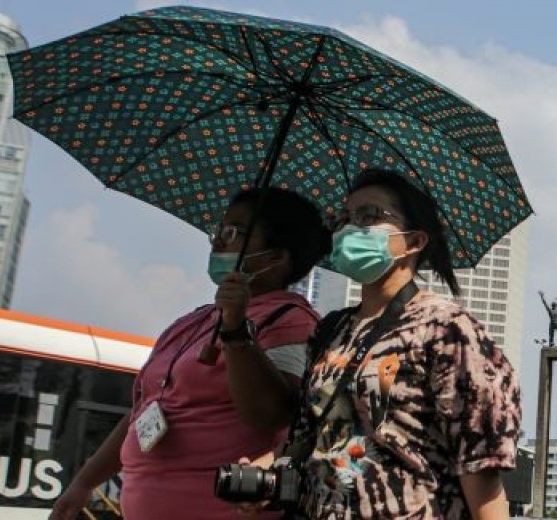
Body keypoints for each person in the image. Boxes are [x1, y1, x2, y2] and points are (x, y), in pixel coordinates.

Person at [251, 168, 522, 520]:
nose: (349, 228)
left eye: (369, 216)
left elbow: (480, 467)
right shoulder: (331, 329)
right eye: (344, 217)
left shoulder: (446, 328)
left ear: (414, 242)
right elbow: (310, 437)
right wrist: (264, 474)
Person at [50, 186, 330, 520]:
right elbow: (144, 412)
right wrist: (85, 481)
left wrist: (236, 330)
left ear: (275, 258)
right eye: (218, 230)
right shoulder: (190, 322)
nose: (217, 242)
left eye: (233, 233)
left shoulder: (291, 320)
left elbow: (270, 414)